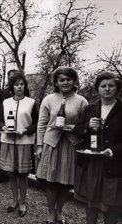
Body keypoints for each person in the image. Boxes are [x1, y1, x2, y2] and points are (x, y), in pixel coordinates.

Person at [36, 66, 88, 224]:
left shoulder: (81, 101)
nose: (65, 82)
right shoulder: (48, 99)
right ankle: (51, 212)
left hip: (71, 145)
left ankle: (60, 211)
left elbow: (85, 126)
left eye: (68, 79)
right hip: (52, 144)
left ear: (74, 81)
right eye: (61, 80)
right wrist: (39, 145)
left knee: (66, 182)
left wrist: (73, 128)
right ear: (56, 82)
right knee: (50, 181)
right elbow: (42, 123)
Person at [73, 72, 122, 224]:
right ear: (98, 89)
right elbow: (77, 129)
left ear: (117, 89)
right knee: (91, 203)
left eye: (111, 86)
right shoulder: (90, 108)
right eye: (103, 86)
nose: (107, 89)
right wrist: (87, 126)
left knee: (112, 205)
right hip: (93, 163)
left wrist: (114, 150)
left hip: (114, 165)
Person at [0, 72, 38, 217]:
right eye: (16, 84)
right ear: (12, 87)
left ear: (25, 86)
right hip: (8, 141)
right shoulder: (5, 102)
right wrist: (2, 127)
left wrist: (25, 130)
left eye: (22, 84)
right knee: (11, 174)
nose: (19, 87)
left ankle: (22, 203)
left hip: (24, 142)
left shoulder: (32, 103)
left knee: (22, 174)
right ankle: (14, 201)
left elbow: (36, 123)